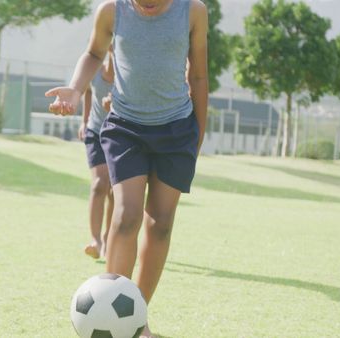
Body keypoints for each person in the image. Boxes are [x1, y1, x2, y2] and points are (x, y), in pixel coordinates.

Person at [46, 0, 208, 336]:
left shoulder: (193, 11)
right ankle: (110, 316)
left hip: (177, 128)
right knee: (126, 216)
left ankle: (135, 318)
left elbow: (199, 74)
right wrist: (76, 89)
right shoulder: (111, 11)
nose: (147, 4)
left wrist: (198, 137)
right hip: (126, 126)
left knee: (160, 224)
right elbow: (93, 53)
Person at [78, 49, 115, 260]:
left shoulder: (127, 77)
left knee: (114, 191)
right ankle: (96, 240)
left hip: (119, 133)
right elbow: (89, 91)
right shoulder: (96, 71)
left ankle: (109, 239)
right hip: (95, 131)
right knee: (99, 184)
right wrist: (84, 121)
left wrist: (115, 106)